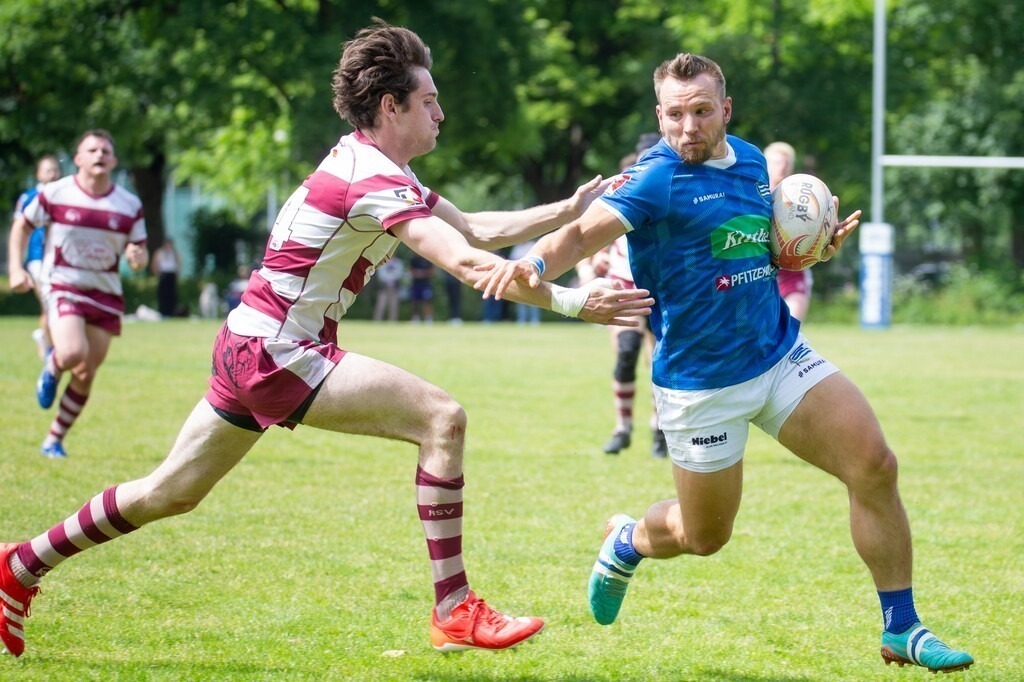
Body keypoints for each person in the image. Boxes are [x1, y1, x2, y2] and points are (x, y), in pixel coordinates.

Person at [0, 21, 653, 659]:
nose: (441, 113)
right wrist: (574, 301)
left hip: (248, 340)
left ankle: (20, 563)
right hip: (278, 350)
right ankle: (454, 609)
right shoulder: (375, 180)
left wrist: (568, 209)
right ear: (391, 106)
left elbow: (477, 228)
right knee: (441, 418)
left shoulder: (369, 162)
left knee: (170, 491)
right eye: (429, 101)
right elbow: (466, 263)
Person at [476, 53, 973, 673]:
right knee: (705, 536)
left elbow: (760, 250)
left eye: (702, 111)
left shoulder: (754, 163)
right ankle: (628, 539)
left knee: (875, 465)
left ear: (726, 110)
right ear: (660, 115)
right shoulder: (654, 178)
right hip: (700, 384)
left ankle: (902, 627)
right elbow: (579, 235)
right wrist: (533, 265)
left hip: (777, 353)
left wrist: (810, 249)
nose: (688, 127)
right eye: (675, 114)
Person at [7, 130, 148, 459]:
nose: (100, 155)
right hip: (64, 285)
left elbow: (139, 253)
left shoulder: (129, 204)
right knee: (72, 353)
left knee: (85, 373)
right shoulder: (56, 192)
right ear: (78, 159)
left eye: (106, 151)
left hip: (106, 294)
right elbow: (22, 226)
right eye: (92, 150)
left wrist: (138, 258)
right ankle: (52, 366)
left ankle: (54, 439)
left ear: (114, 160)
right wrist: (15, 268)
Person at [583, 141, 665, 458]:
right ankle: (623, 428)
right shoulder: (621, 190)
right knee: (627, 352)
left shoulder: (674, 188)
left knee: (659, 363)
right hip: (624, 285)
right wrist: (594, 262)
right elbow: (585, 237)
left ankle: (660, 428)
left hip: (662, 288)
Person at [12, 154, 62, 358]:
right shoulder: (29, 197)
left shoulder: (65, 196)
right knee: (49, 305)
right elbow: (19, 229)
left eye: (55, 169)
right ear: (38, 174)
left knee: (56, 307)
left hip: (61, 260)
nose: (52, 174)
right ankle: (51, 350)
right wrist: (17, 266)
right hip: (38, 259)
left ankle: (48, 342)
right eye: (47, 170)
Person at [764, 141, 813, 321]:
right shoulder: (756, 196)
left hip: (793, 274)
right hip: (762, 276)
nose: (783, 167)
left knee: (791, 326)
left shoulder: (804, 198)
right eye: (778, 162)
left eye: (787, 163)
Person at [510, 240, 541, 325]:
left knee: (534, 300)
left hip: (532, 277)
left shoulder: (532, 245)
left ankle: (535, 319)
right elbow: (512, 261)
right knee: (520, 301)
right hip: (519, 279)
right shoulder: (517, 248)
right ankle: (521, 319)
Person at [150, 237, 182, 317]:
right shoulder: (159, 252)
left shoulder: (174, 253)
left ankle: (172, 312)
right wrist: (157, 273)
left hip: (171, 274)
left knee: (172, 294)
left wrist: (177, 274)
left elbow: (178, 263)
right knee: (163, 294)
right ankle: (163, 311)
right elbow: (154, 263)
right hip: (163, 274)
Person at [372, 253, 405, 322]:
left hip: (394, 287)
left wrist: (392, 280)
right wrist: (388, 281)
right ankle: (377, 321)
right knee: (381, 305)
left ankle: (393, 321)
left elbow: (399, 274)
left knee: (394, 305)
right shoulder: (383, 262)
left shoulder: (399, 263)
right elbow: (381, 274)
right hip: (384, 287)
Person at [408, 253, 435, 323]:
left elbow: (432, 271)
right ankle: (415, 318)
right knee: (415, 301)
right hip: (415, 284)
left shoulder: (427, 259)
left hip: (426, 284)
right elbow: (410, 271)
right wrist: (419, 273)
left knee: (427, 301)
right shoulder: (413, 260)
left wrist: (421, 273)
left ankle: (428, 318)